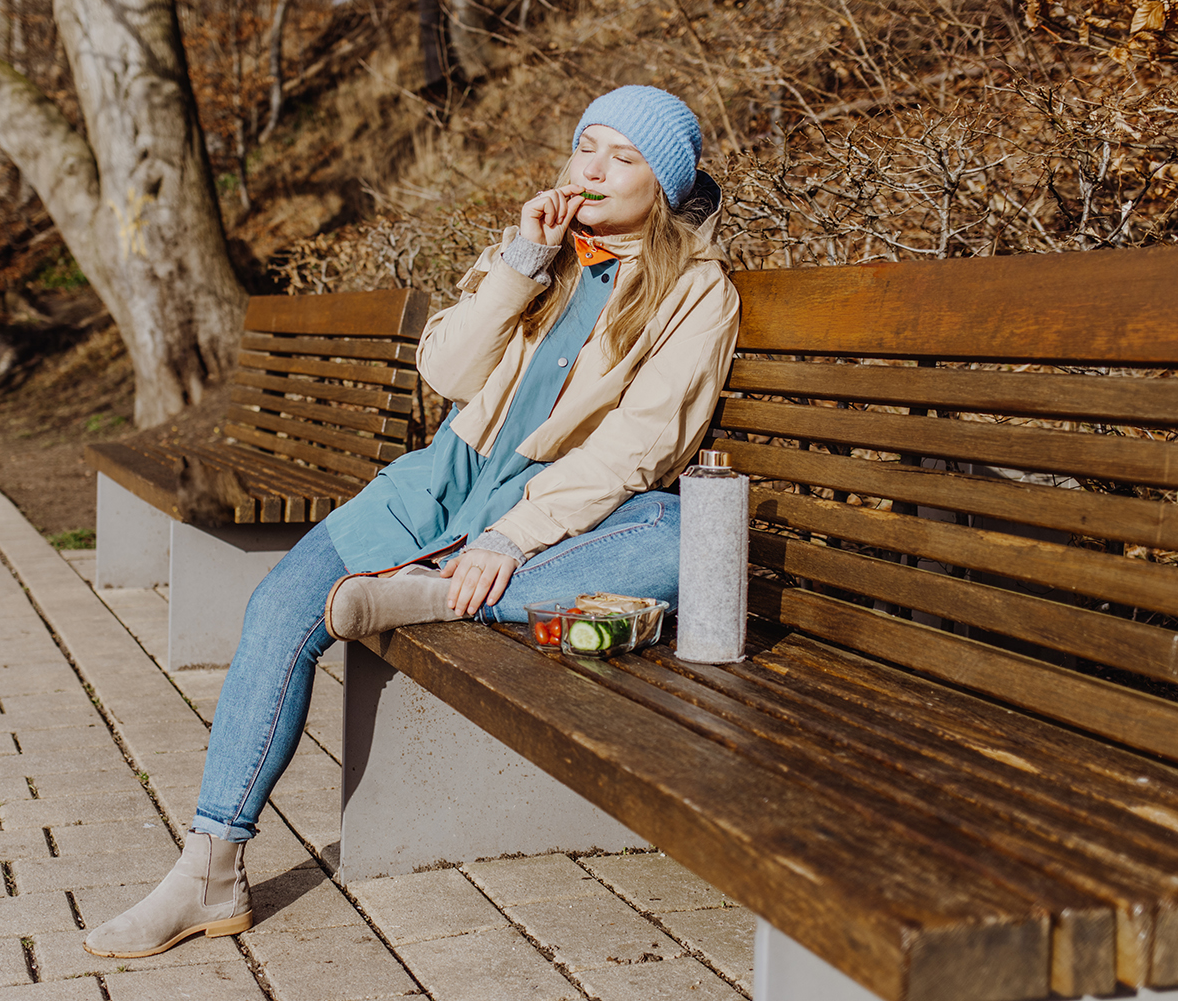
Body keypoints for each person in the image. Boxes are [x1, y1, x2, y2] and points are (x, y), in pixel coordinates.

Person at [81, 86, 742, 961]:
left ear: (663, 184)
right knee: (280, 608)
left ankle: (438, 593)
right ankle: (209, 867)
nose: (592, 169)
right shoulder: (538, 255)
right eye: (587, 144)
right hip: (445, 481)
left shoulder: (697, 290)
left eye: (624, 158)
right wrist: (520, 264)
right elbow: (448, 371)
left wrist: (512, 539)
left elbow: (640, 449)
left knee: (676, 534)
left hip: (557, 507)